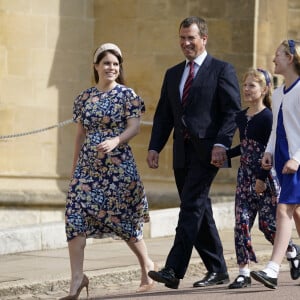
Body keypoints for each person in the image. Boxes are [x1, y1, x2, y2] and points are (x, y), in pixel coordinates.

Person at [146, 16, 241, 290]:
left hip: (209, 152)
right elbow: (164, 115)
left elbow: (232, 112)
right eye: (182, 38)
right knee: (200, 209)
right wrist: (154, 147)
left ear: (204, 39)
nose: (186, 43)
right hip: (181, 153)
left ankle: (174, 269)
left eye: (191, 38)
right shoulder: (173, 73)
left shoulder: (222, 70)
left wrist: (222, 144)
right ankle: (218, 269)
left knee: (189, 207)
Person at [59, 43, 156, 300]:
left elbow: (135, 127)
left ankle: (146, 264)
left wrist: (116, 140)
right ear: (96, 66)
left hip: (118, 168)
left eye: (115, 63)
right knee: (75, 218)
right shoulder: (84, 98)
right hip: (87, 169)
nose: (111, 67)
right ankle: (77, 278)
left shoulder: (127, 95)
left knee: (122, 218)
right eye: (106, 63)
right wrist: (74, 169)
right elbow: (80, 135)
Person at [250, 39, 300, 289]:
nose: (273, 59)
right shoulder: (279, 92)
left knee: (284, 210)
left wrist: (297, 158)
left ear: (290, 58)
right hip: (281, 158)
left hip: (296, 161)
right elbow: (275, 128)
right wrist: (269, 152)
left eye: (278, 55)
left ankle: (272, 269)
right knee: (296, 212)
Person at [226, 68, 281, 289]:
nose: (247, 89)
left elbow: (269, 150)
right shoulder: (241, 116)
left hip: (265, 178)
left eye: (252, 85)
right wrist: (226, 154)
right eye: (245, 85)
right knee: (241, 223)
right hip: (244, 178)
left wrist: (261, 178)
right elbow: (246, 146)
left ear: (264, 89)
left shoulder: (269, 117)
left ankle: (291, 250)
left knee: (268, 226)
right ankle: (243, 272)